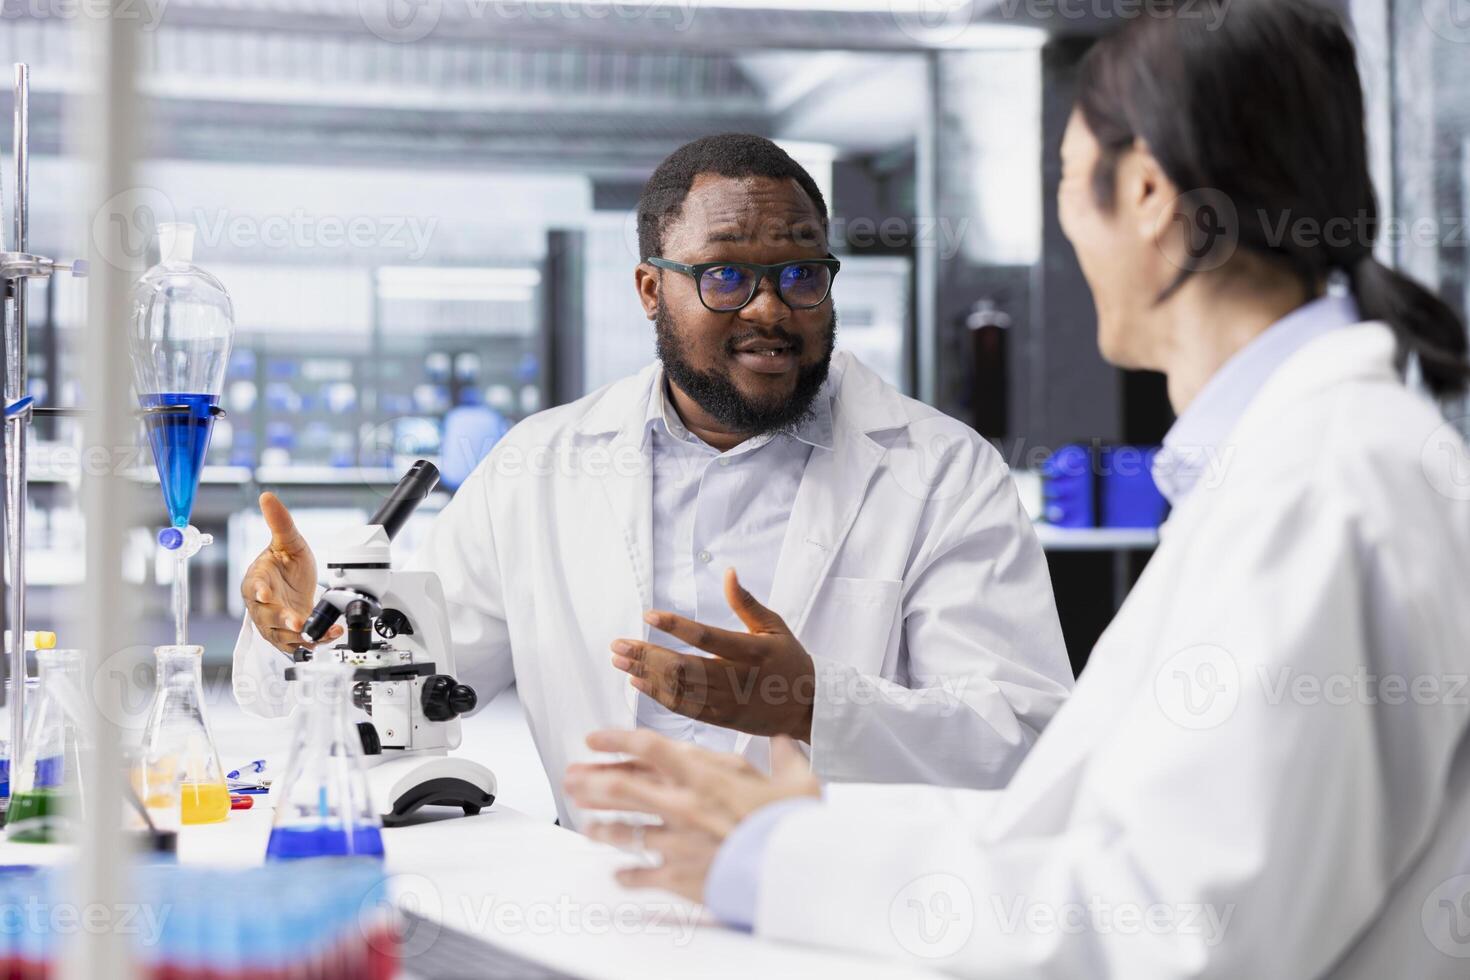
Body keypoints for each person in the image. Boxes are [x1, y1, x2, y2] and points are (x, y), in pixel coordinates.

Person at [562, 2, 1470, 975]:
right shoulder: (1296, 468)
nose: (1069, 230)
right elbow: (1101, 834)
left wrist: (779, 855)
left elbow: (1174, 924)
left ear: (1153, 194)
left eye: (1074, 184)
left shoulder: (1325, 490)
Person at [233, 134, 1074, 827]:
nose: (770, 309)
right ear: (649, 290)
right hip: (597, 913)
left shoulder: (941, 471)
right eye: (725, 275)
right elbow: (402, 699)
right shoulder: (538, 467)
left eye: (801, 274)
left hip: (835, 923)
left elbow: (1025, 735)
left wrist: (814, 705)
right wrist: (302, 632)